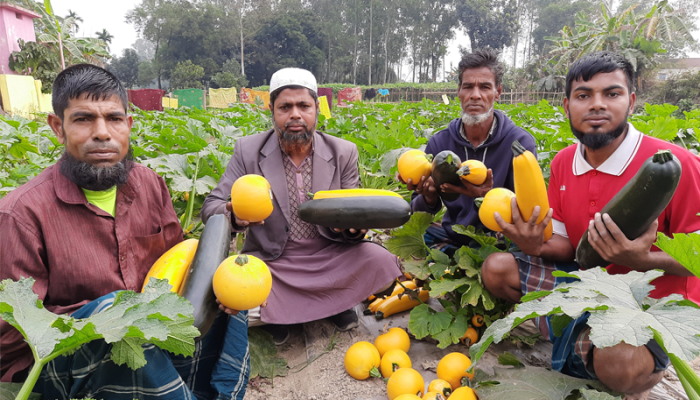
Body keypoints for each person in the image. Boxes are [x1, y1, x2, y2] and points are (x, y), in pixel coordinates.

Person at [0, 64, 249, 400]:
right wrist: (110, 319)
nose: (102, 133)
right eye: (84, 119)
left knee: (230, 282)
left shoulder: (150, 185)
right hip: (57, 362)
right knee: (115, 316)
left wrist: (220, 287)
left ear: (128, 126)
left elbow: (181, 264)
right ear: (58, 127)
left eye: (114, 119)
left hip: (145, 339)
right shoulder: (21, 213)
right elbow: (11, 334)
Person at [481, 51, 700, 399]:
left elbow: (697, 254)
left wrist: (646, 261)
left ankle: (637, 372)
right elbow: (568, 245)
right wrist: (534, 245)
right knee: (496, 269)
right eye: (584, 96)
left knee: (619, 364)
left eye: (611, 93)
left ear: (632, 102)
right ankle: (581, 340)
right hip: (588, 283)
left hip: (651, 304)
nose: (597, 105)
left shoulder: (676, 165)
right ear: (567, 106)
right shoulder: (565, 162)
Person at [201, 67, 402, 344]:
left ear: (317, 109)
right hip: (273, 264)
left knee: (380, 261)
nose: (295, 114)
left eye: (303, 105)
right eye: (285, 107)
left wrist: (353, 229)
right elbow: (210, 207)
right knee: (223, 295)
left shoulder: (343, 152)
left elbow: (354, 215)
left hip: (331, 258)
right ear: (271, 110)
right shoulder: (247, 151)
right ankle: (327, 305)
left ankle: (311, 308)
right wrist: (235, 215)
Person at [405, 48, 536, 255]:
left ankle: (462, 262)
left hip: (500, 237)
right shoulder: (440, 143)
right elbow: (419, 211)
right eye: (468, 87)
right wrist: (428, 197)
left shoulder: (519, 144)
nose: (475, 95)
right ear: (459, 91)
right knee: (413, 233)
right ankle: (454, 259)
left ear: (498, 92)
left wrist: (487, 197)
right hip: (454, 232)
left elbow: (528, 212)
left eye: (485, 87)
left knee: (516, 252)